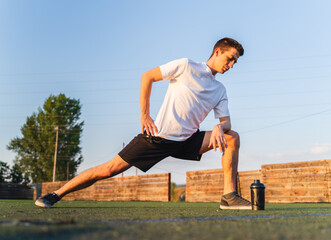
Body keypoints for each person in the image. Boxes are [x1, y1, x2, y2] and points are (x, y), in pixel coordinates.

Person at [35, 37, 251, 210]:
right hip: (158, 137)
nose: (231, 65)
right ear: (217, 52)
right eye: (230, 58)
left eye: (235, 62)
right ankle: (55, 195)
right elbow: (147, 77)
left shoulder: (219, 90)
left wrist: (218, 127)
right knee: (108, 169)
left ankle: (228, 196)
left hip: (187, 141)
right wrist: (144, 115)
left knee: (232, 136)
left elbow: (226, 122)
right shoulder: (186, 66)